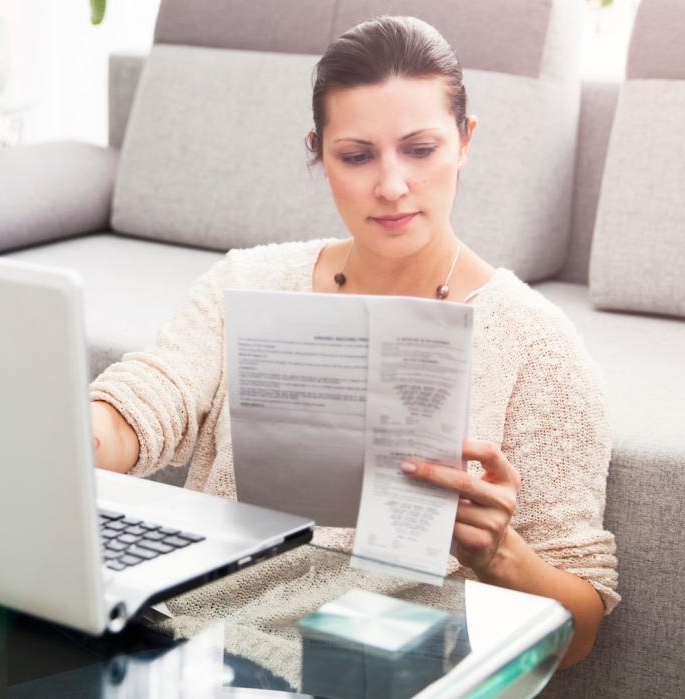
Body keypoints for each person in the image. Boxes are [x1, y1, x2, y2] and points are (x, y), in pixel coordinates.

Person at [88, 15, 617, 671]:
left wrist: (498, 550)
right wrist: (85, 432)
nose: (391, 186)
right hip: (189, 647)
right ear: (319, 152)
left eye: (420, 150)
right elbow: (153, 397)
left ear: (465, 140)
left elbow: (583, 627)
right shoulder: (250, 280)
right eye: (357, 155)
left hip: (371, 668)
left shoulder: (538, 345)